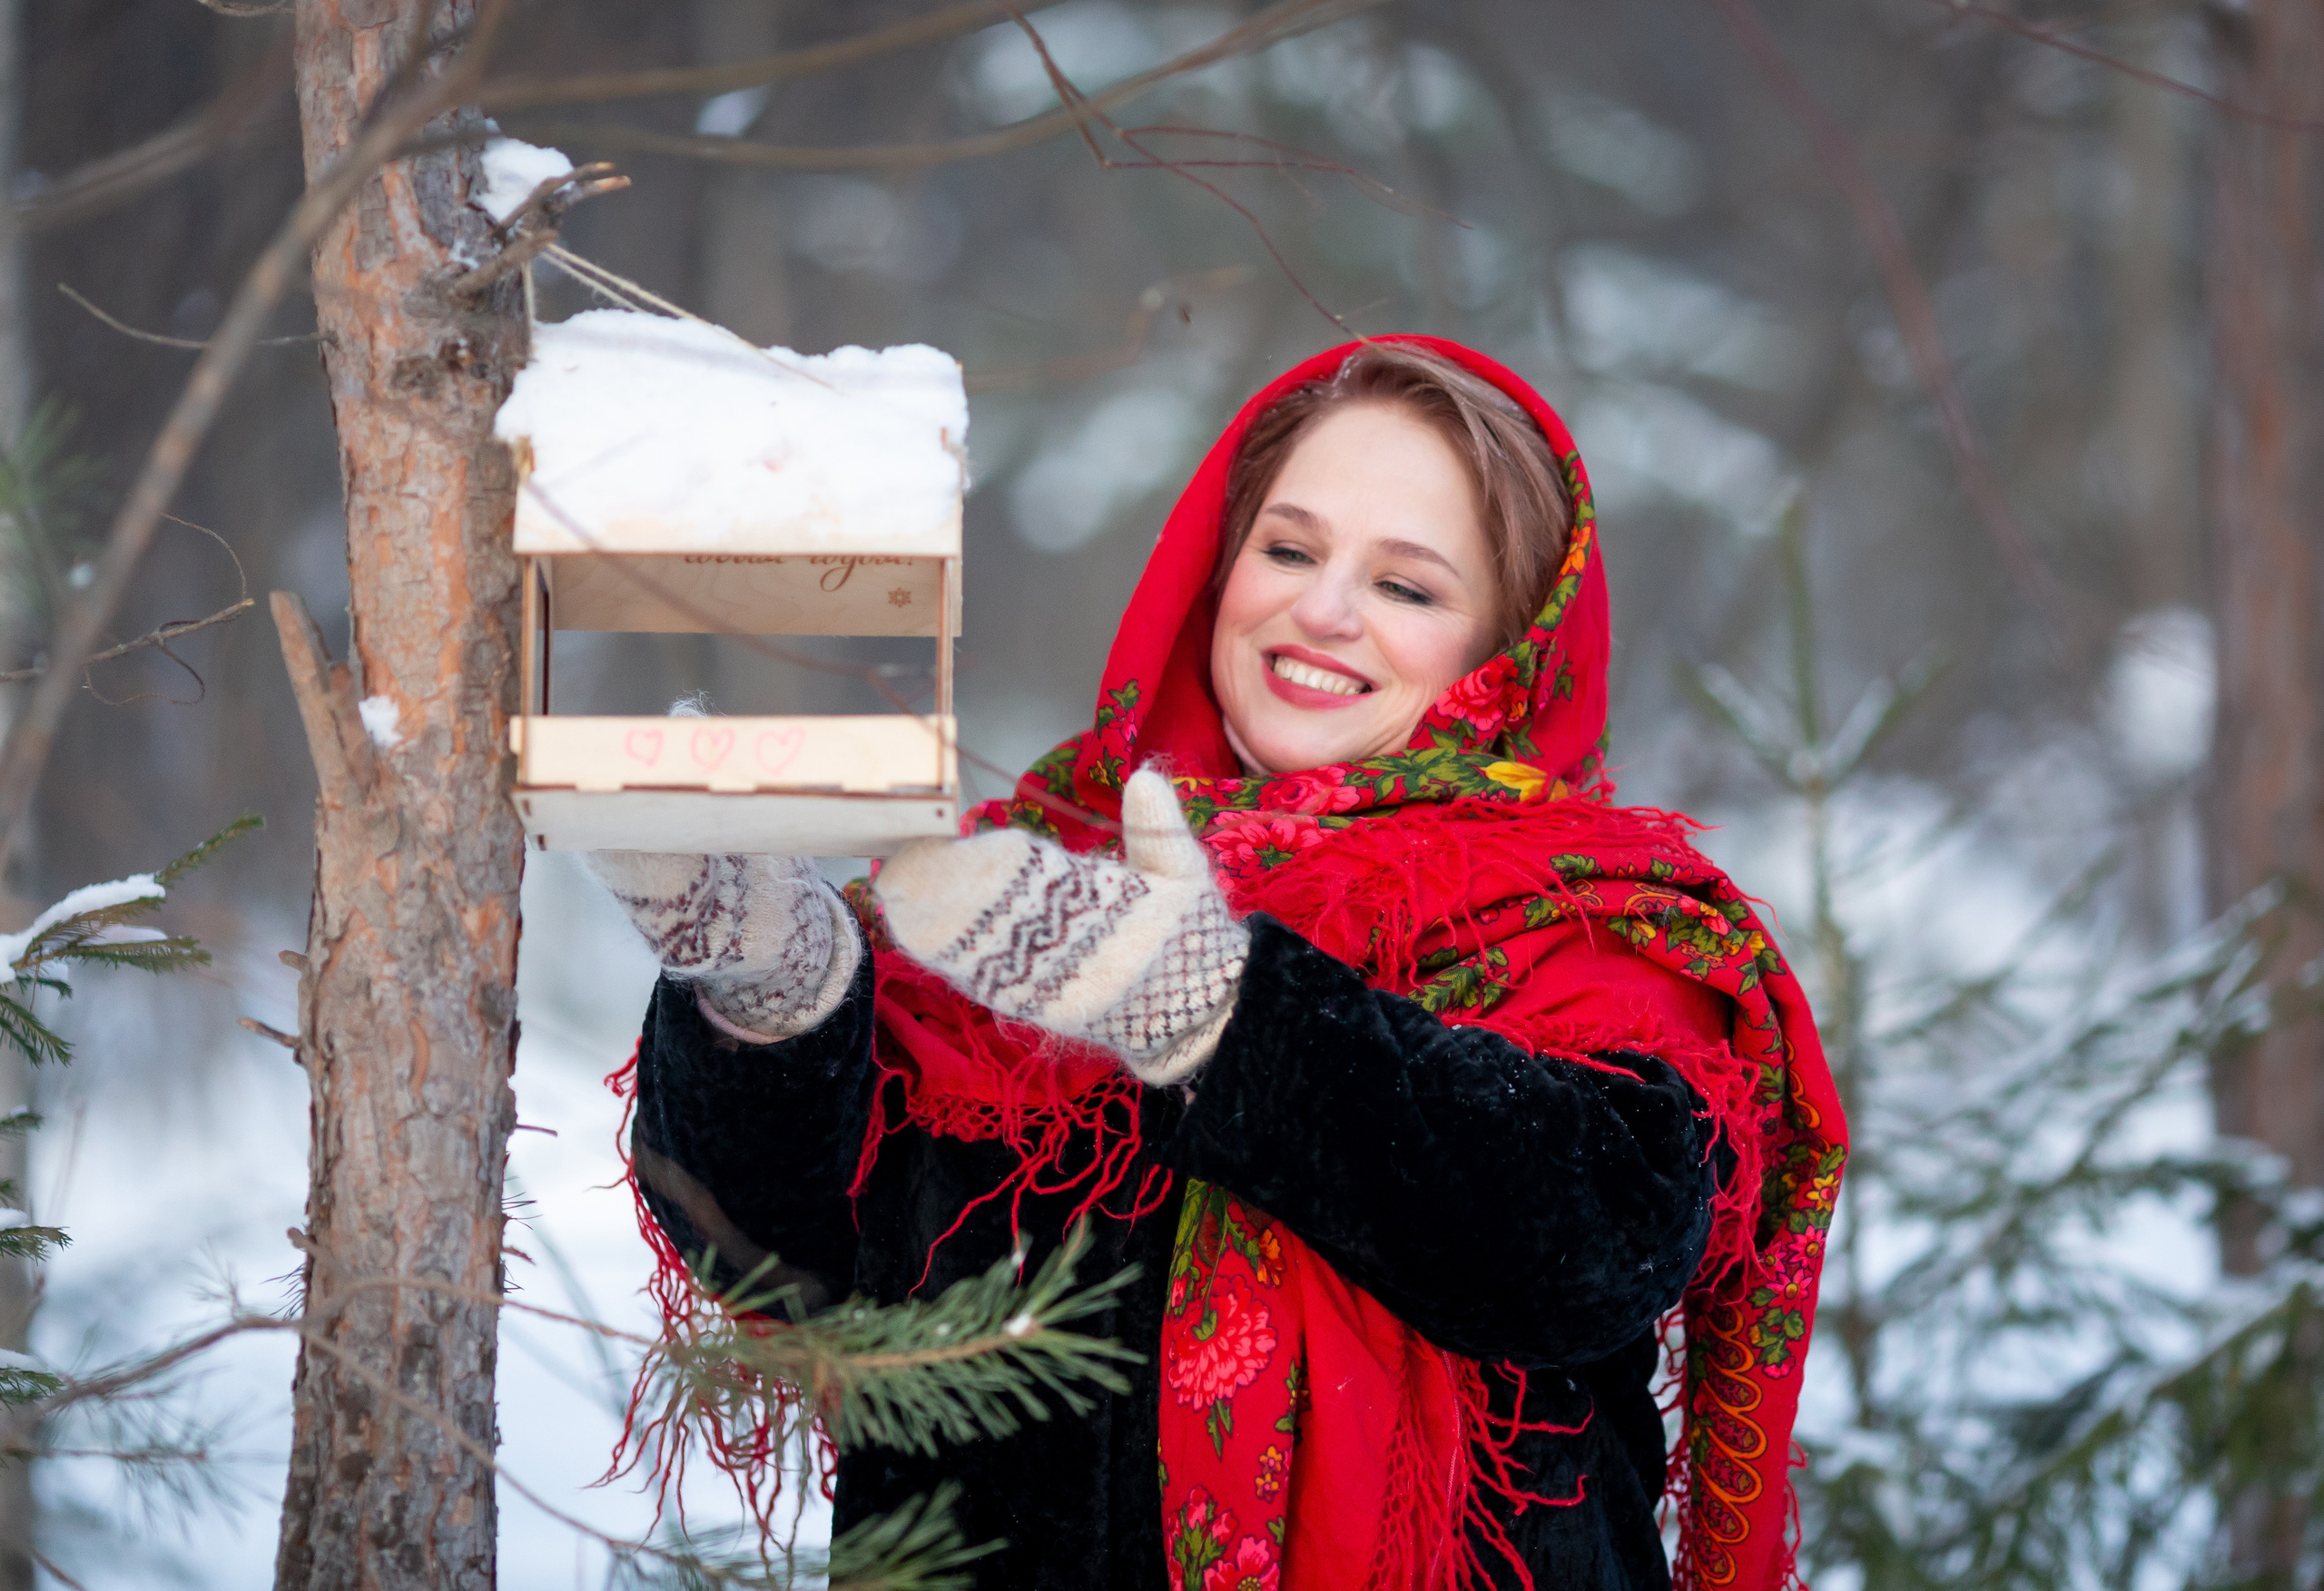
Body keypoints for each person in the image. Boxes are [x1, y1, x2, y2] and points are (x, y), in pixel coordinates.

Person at [589, 338, 1845, 1591]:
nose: (1324, 610)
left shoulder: (1597, 926)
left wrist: (1225, 1011)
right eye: (1288, 549)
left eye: (1407, 586)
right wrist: (770, 995)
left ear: (1509, 649)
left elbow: (1579, 1249)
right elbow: (795, 1266)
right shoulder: (1033, 885)